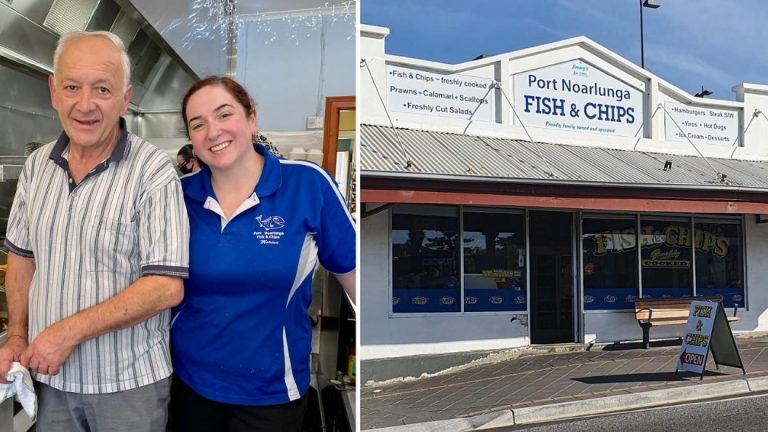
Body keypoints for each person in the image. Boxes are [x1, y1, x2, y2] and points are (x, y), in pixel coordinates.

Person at [0, 31, 189, 430]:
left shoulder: (153, 172)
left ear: (125, 97)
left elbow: (165, 286)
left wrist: (67, 333)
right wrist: (17, 335)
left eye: (102, 89)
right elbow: (21, 257)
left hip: (127, 386)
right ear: (54, 91)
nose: (85, 105)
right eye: (72, 87)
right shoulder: (36, 168)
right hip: (49, 381)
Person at [170, 76, 356, 431]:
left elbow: (354, 275)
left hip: (270, 393)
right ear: (191, 139)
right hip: (188, 384)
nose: (213, 131)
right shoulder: (177, 196)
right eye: (198, 124)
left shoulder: (306, 184)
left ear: (251, 118)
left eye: (225, 115)